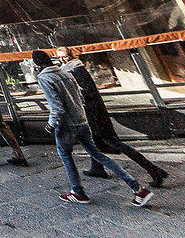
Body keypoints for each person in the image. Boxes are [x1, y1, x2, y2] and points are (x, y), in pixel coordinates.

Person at [35, 50, 152, 207]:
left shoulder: (44, 78)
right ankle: (137, 188)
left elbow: (57, 107)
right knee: (98, 155)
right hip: (82, 121)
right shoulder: (65, 72)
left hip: (66, 126)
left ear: (36, 64)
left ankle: (78, 192)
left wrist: (51, 125)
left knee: (66, 156)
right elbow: (80, 96)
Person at [57, 49, 169, 188]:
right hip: (90, 113)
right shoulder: (70, 69)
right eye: (60, 57)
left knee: (113, 143)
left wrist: (75, 99)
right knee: (95, 142)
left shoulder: (76, 69)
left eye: (65, 56)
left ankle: (154, 170)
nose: (63, 59)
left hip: (94, 114)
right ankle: (97, 168)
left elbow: (88, 92)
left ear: (71, 56)